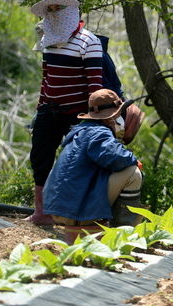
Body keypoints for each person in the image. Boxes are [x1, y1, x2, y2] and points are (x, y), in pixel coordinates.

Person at [27, 0, 103, 225]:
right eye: (50, 9)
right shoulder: (48, 40)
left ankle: (74, 216)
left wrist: (93, 120)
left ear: (70, 9)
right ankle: (42, 213)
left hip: (77, 114)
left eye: (58, 8)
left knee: (74, 163)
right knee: (40, 158)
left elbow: (94, 85)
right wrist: (39, 109)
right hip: (49, 110)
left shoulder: (88, 41)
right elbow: (46, 79)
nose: (53, 13)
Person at [43, 89, 143, 228]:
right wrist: (133, 159)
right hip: (73, 212)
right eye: (119, 113)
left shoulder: (83, 130)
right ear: (110, 116)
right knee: (132, 172)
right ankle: (122, 231)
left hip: (61, 209)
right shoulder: (99, 133)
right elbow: (115, 157)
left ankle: (103, 221)